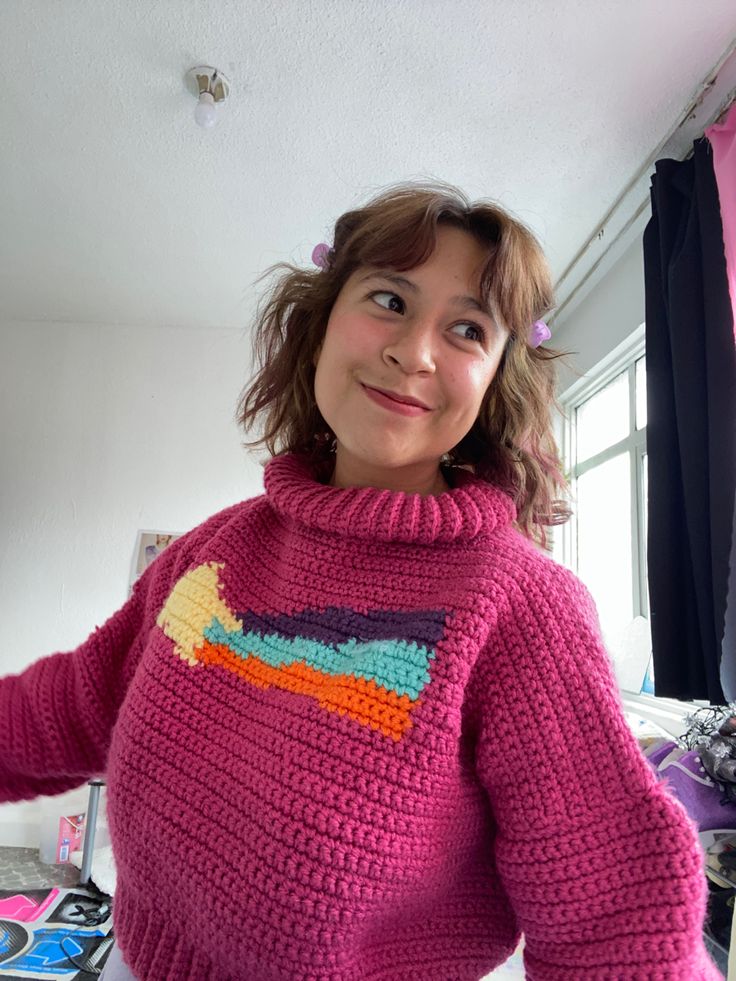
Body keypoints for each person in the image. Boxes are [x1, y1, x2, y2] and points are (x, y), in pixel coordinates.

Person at [0, 182, 720, 981]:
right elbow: (67, 706)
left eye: (467, 328)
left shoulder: (521, 608)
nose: (414, 353)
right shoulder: (209, 552)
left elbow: (614, 922)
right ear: (319, 323)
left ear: (492, 383)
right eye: (389, 298)